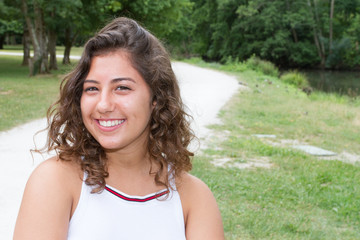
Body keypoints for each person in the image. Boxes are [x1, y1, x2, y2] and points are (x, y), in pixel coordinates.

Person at [13, 17, 224, 239]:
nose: (103, 105)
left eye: (122, 88)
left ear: (156, 98)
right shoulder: (55, 181)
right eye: (92, 88)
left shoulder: (194, 197)